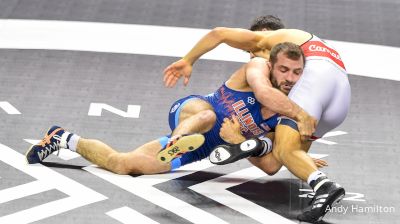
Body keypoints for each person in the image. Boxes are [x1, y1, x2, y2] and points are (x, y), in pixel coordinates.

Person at [26, 42, 320, 177]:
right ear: (272, 65)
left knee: (123, 164)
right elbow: (263, 91)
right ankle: (178, 140)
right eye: (284, 70)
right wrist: (301, 117)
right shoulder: (256, 68)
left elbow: (270, 167)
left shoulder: (290, 113)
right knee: (206, 116)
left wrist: (239, 143)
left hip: (199, 150)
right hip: (193, 111)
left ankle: (62, 137)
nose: (289, 78)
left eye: (296, 72)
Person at [163, 27, 350, 223]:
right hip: (341, 99)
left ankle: (323, 186)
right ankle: (263, 147)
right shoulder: (299, 53)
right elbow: (272, 166)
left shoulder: (264, 44)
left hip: (318, 80)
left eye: (250, 53)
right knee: (284, 153)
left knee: (285, 152)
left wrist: (187, 60)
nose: (253, 59)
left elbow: (219, 33)